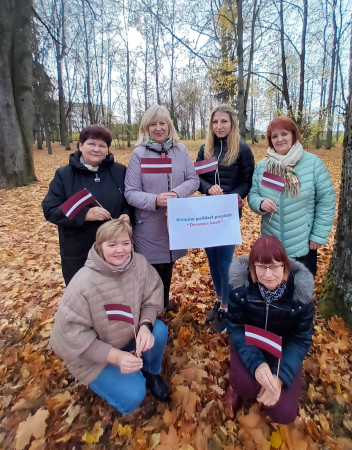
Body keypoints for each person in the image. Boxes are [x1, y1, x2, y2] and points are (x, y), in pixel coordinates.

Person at [50, 219, 169, 414]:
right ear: (99, 247)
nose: (120, 250)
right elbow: (72, 336)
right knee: (133, 394)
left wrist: (146, 326)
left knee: (160, 331)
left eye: (125, 243)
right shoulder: (83, 282)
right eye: (111, 245)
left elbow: (153, 293)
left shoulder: (139, 263)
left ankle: (150, 372)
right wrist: (116, 357)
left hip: (127, 336)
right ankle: (123, 393)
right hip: (93, 356)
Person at [227, 236, 314, 424]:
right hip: (249, 342)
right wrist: (257, 364)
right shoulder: (240, 289)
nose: (268, 274)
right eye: (261, 267)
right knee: (246, 385)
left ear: (285, 268)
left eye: (274, 266)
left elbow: (301, 339)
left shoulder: (300, 297)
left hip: (282, 350)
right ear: (252, 269)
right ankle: (235, 387)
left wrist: (279, 376)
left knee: (284, 413)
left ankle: (277, 383)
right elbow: (235, 327)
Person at [124, 105, 199, 310]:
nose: (158, 128)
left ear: (169, 126)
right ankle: (151, 314)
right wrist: (155, 199)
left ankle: (163, 306)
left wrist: (177, 193)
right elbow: (130, 192)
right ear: (146, 128)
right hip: (148, 225)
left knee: (168, 266)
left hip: (175, 223)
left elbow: (193, 180)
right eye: (153, 124)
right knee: (150, 272)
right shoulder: (138, 154)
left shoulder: (180, 150)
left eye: (162, 123)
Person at [42, 125, 132, 285]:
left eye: (102, 145)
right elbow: (50, 209)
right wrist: (85, 214)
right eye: (91, 144)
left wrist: (127, 214)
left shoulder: (119, 171)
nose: (96, 149)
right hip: (78, 251)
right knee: (84, 297)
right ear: (80, 146)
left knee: (116, 293)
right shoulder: (64, 175)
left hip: (115, 250)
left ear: (108, 150)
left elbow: (130, 200)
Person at [248, 117, 335, 277]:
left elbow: (326, 200)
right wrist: (260, 203)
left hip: (303, 244)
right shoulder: (263, 167)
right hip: (272, 244)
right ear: (270, 140)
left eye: (284, 134)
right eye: (274, 136)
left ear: (293, 136)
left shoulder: (313, 164)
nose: (279, 139)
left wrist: (318, 235)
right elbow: (253, 194)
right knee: (275, 289)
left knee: (301, 292)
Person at [196, 104, 254, 333]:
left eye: (224, 122)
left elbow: (247, 181)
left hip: (228, 213)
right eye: (215, 122)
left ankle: (228, 307)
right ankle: (220, 300)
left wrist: (233, 196)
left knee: (225, 263)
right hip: (208, 213)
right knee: (212, 259)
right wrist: (209, 188)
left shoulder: (241, 149)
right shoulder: (205, 149)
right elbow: (197, 178)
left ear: (232, 124)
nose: (219, 126)